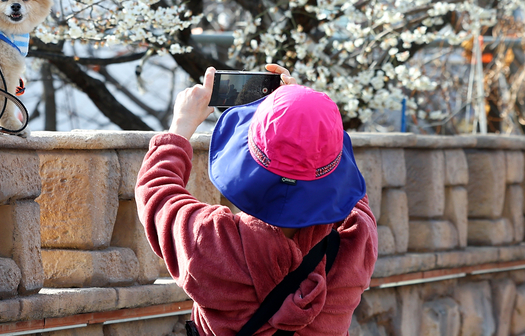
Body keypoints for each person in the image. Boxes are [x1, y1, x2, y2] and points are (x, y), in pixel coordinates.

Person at [135, 64, 379, 336]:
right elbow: (350, 190)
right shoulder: (356, 243)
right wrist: (309, 121)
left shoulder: (211, 242)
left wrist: (181, 125)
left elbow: (157, 192)